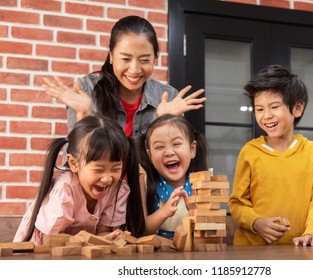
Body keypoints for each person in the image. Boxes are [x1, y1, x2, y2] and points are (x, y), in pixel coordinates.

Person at [42, 15, 206, 138]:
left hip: (144, 182)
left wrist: (162, 120)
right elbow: (76, 157)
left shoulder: (167, 97)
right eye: (126, 59)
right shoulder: (87, 89)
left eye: (144, 60)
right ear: (111, 56)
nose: (134, 69)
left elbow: (169, 161)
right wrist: (84, 113)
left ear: (155, 59)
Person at [229, 64, 313, 247]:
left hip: (299, 252)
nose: (266, 116)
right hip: (252, 253)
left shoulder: (312, 151)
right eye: (259, 109)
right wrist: (256, 223)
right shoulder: (249, 152)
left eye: (274, 107)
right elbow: (237, 203)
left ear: (297, 108)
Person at [13, 115, 145, 244]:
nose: (107, 178)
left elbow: (102, 233)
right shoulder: (64, 190)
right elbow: (50, 240)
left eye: (116, 169)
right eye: (98, 169)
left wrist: (110, 238)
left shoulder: (118, 190)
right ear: (74, 163)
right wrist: (90, 241)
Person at [138, 114, 208, 239]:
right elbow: (141, 230)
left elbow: (210, 232)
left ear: (192, 149)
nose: (169, 152)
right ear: (150, 156)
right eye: (159, 147)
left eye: (176, 144)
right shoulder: (144, 181)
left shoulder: (204, 182)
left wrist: (196, 214)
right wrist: (164, 213)